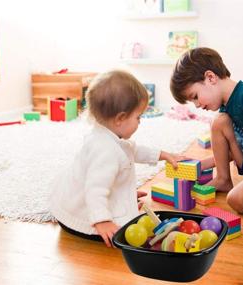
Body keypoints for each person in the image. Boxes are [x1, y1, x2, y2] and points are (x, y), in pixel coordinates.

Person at [50, 70, 187, 247]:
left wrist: (163, 155)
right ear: (120, 119)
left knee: (113, 189)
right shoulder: (105, 151)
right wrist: (102, 221)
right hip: (82, 215)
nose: (140, 122)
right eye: (138, 117)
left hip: (78, 198)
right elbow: (95, 190)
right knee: (122, 231)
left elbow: (132, 151)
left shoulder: (109, 135)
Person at [170, 47, 243, 214]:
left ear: (210, 77)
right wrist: (195, 164)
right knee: (218, 122)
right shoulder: (225, 107)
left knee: (237, 201)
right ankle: (223, 179)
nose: (197, 105)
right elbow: (227, 151)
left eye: (195, 97)